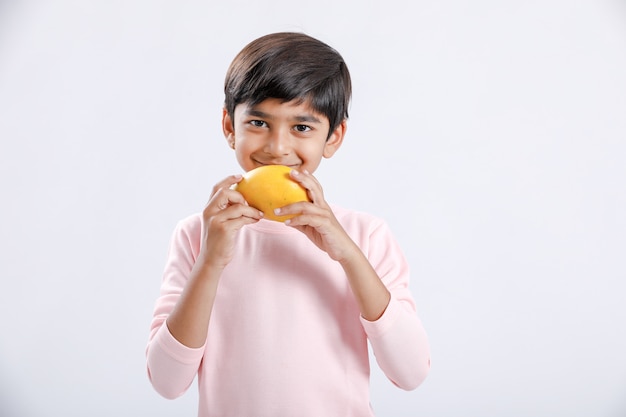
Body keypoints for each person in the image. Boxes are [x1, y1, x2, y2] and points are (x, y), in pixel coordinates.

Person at [146, 31, 430, 417]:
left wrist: (347, 254)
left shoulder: (365, 236)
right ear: (230, 126)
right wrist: (210, 261)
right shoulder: (198, 235)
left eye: (302, 127)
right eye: (259, 122)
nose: (277, 147)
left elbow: (410, 372)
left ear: (334, 137)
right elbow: (166, 382)